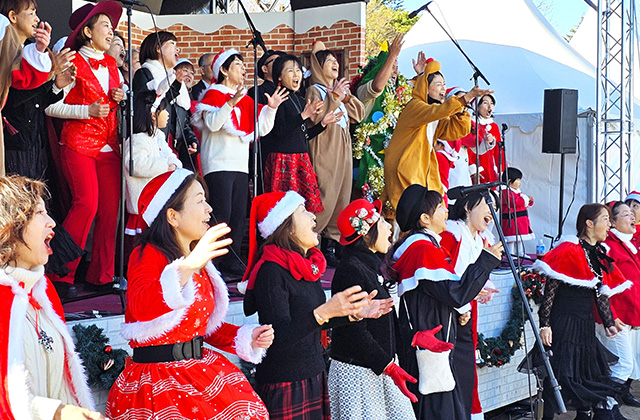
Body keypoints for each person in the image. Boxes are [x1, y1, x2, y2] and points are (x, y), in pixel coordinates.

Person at [107, 169, 274, 419]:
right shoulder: (148, 254)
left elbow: (199, 327)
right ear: (172, 216)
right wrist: (187, 267)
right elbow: (141, 306)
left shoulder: (198, 262)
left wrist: (246, 336)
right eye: (199, 200)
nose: (209, 208)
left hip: (198, 371)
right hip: (157, 382)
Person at [241, 191, 392, 420]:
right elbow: (279, 336)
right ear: (287, 225)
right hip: (285, 383)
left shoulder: (306, 267)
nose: (314, 217)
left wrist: (353, 314)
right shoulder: (271, 271)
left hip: (314, 374)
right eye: (303, 211)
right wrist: (322, 313)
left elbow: (312, 323)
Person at [383, 184, 503, 420]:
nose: (446, 211)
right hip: (429, 348)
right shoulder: (421, 249)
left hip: (430, 345)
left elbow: (445, 293)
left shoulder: (422, 246)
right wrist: (485, 261)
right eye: (440, 208)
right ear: (425, 218)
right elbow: (455, 293)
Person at [0, 174, 105, 420]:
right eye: (39, 213)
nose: (52, 223)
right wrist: (57, 413)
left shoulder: (43, 292)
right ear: (8, 226)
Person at [44, 1, 124, 291]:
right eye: (105, 25)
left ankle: (101, 275)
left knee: (108, 212)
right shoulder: (72, 61)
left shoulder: (114, 65)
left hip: (109, 147)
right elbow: (51, 108)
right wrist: (85, 111)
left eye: (112, 27)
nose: (111, 31)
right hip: (78, 144)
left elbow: (117, 103)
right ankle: (61, 274)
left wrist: (120, 97)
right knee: (86, 205)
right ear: (88, 32)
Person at [531, 203, 632, 420]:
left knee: (586, 374)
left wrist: (609, 322)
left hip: (584, 323)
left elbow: (600, 293)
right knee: (558, 376)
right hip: (563, 323)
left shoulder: (598, 253)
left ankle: (585, 416)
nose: (609, 224)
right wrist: (545, 325)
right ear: (589, 223)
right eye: (605, 219)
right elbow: (550, 291)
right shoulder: (568, 249)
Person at [192, 49, 287, 277]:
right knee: (220, 214)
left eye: (243, 65)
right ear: (223, 70)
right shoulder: (213, 94)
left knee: (236, 215)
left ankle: (232, 260)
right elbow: (213, 124)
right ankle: (213, 261)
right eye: (237, 65)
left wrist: (271, 108)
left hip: (240, 165)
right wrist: (230, 102)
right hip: (218, 164)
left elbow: (261, 129)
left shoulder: (245, 100)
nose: (243, 69)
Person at [329, 198, 417, 419]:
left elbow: (384, 321)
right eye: (382, 222)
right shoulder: (351, 270)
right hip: (357, 375)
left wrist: (414, 338)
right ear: (367, 233)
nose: (389, 227)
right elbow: (353, 332)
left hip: (378, 368)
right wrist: (388, 366)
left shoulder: (367, 266)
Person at [382, 59, 491, 216]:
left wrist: (462, 109)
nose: (444, 88)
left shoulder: (434, 114)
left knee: (429, 214)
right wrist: (464, 99)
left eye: (444, 84)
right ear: (426, 88)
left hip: (423, 173)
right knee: (409, 219)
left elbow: (456, 130)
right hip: (406, 172)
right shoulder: (415, 107)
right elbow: (437, 111)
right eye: (439, 84)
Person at [440, 193, 500, 420]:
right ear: (467, 207)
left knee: (467, 372)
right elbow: (447, 278)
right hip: (452, 313)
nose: (492, 212)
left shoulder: (480, 239)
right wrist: (463, 306)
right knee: (457, 370)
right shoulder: (451, 235)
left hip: (468, 312)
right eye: (487, 205)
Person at [306, 41, 365, 266]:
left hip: (343, 150)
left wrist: (345, 96)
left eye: (335, 61)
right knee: (325, 193)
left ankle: (331, 245)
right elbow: (316, 117)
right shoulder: (315, 89)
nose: (335, 64)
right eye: (329, 61)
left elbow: (359, 114)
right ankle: (312, 240)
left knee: (341, 194)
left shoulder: (339, 92)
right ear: (319, 67)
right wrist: (335, 97)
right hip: (325, 149)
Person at [261, 54, 341, 214]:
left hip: (301, 159)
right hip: (284, 160)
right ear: (279, 77)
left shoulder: (299, 99)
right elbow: (277, 132)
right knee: (283, 210)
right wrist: (303, 116)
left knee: (302, 210)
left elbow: (302, 135)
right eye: (290, 71)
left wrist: (322, 124)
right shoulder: (277, 98)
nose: (296, 74)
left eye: (298, 70)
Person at [351, 34, 417, 199]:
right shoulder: (365, 90)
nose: (395, 69)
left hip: (395, 162)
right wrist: (392, 54)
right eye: (390, 64)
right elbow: (378, 86)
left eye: (396, 64)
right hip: (369, 165)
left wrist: (422, 75)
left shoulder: (398, 92)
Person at [0, 1, 53, 176]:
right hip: (12, 143)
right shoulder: (4, 43)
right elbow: (13, 93)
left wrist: (56, 83)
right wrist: (50, 74)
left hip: (33, 142)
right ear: (13, 16)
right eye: (31, 12)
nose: (37, 19)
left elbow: (37, 98)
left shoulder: (32, 51)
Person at [134, 30, 199, 171]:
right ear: (158, 48)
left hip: (174, 148)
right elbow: (149, 105)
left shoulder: (174, 77)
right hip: (153, 144)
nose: (178, 48)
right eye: (172, 44)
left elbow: (183, 120)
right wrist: (172, 86)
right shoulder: (144, 73)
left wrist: (190, 139)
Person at [123, 90, 182, 238]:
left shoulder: (158, 137)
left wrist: (174, 165)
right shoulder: (138, 139)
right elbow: (135, 164)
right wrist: (164, 167)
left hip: (157, 203)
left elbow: (171, 156)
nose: (168, 114)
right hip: (143, 208)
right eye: (164, 111)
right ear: (152, 115)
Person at [600, 201, 640, 407]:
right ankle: (604, 407)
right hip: (614, 317)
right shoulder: (609, 247)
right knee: (622, 364)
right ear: (612, 223)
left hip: (627, 316)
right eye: (625, 214)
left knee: (623, 365)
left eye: (632, 213)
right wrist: (611, 317)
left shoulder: (627, 245)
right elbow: (602, 286)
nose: (632, 216)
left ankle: (607, 407)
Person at [461, 94, 504, 184]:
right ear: (477, 106)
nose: (489, 106)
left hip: (490, 168)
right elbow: (469, 149)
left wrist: (502, 170)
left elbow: (498, 151)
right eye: (485, 103)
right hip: (477, 169)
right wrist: (473, 169)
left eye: (492, 103)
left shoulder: (494, 126)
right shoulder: (471, 124)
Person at [500, 167, 534, 256]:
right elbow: (516, 202)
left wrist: (528, 200)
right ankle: (510, 254)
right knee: (511, 239)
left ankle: (520, 253)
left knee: (519, 238)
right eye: (518, 180)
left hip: (519, 220)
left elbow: (522, 202)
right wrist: (525, 199)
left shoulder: (517, 192)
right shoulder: (504, 192)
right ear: (509, 181)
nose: (519, 183)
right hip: (511, 221)